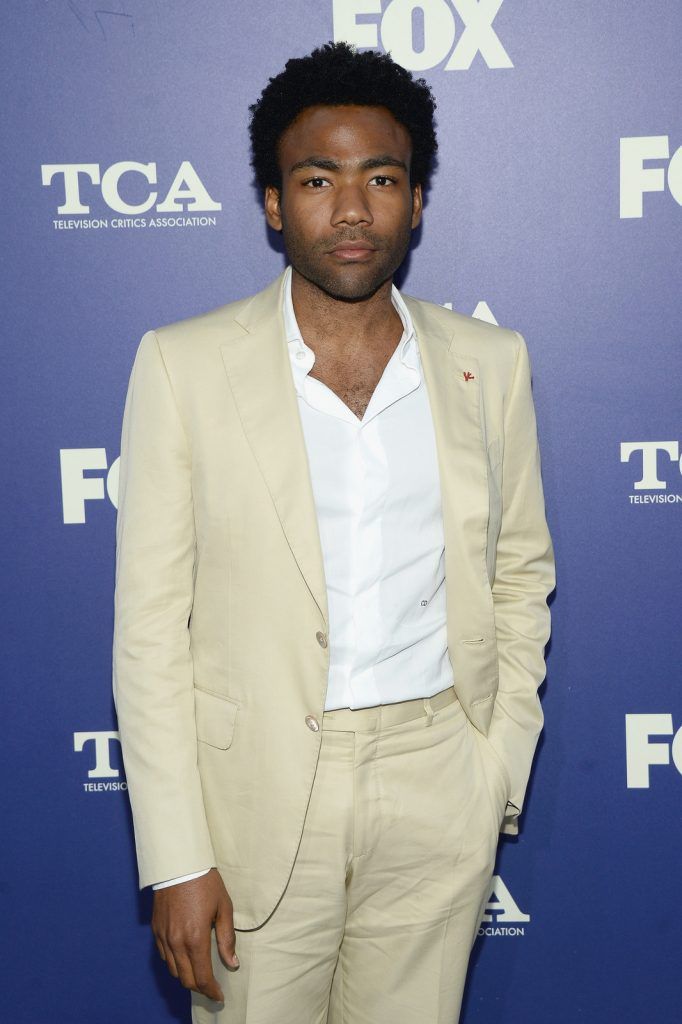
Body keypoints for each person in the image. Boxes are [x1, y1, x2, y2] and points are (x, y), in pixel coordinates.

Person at [113, 41, 555, 1024]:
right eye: (316, 179)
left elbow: (522, 573)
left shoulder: (490, 362)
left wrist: (493, 772)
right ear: (274, 203)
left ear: (417, 200)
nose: (350, 210)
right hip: (254, 800)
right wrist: (177, 853)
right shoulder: (182, 367)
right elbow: (149, 632)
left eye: (381, 179)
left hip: (437, 781)